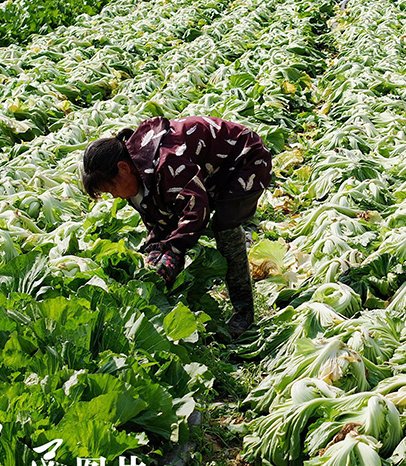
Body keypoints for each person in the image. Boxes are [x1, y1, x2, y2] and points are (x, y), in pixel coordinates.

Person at [81, 116, 273, 337]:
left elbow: (196, 211)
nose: (114, 196)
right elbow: (158, 219)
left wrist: (174, 252)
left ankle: (244, 312)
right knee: (172, 236)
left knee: (225, 228)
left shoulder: (168, 162)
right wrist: (155, 250)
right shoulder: (136, 175)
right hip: (212, 173)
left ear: (123, 168)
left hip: (245, 160)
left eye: (111, 189)